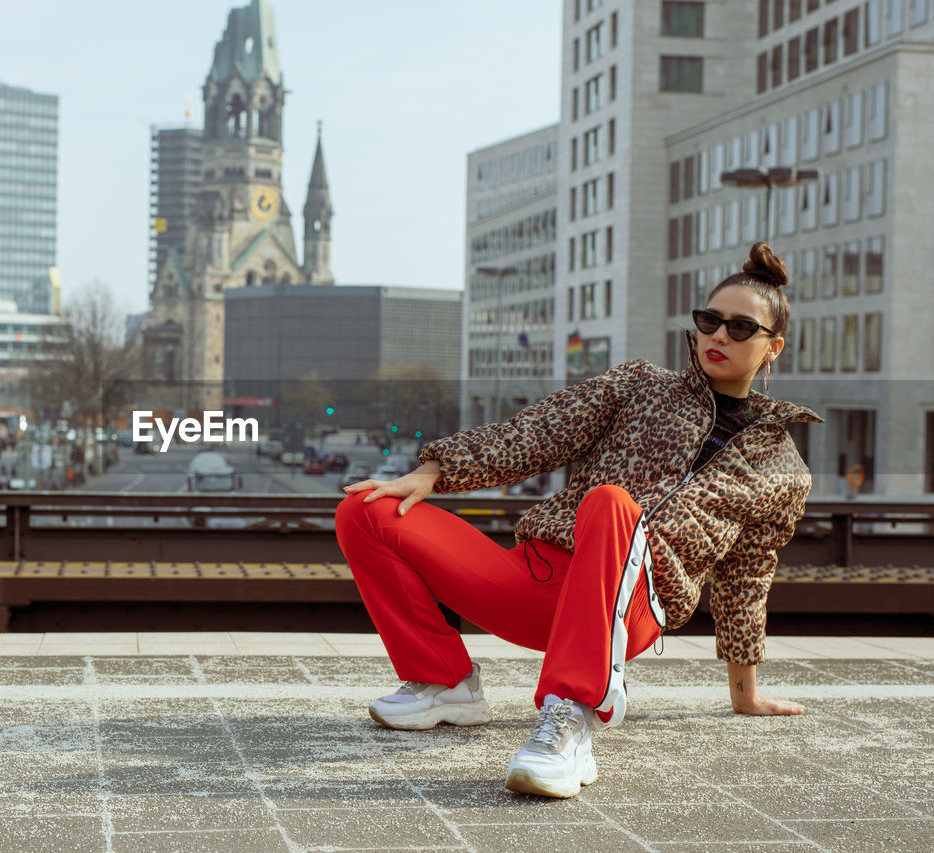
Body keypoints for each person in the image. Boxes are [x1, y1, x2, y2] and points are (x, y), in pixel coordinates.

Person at [335, 242, 821, 799]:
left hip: (635, 605)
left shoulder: (782, 470)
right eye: (710, 320)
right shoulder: (641, 386)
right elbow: (542, 430)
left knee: (612, 502)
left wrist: (746, 695)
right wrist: (435, 471)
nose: (718, 336)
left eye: (740, 328)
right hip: (539, 579)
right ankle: (445, 682)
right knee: (367, 510)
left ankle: (569, 721)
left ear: (772, 347)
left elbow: (746, 581)